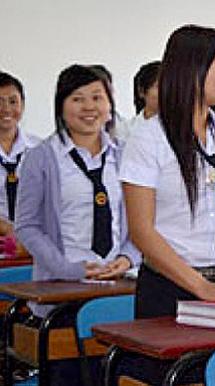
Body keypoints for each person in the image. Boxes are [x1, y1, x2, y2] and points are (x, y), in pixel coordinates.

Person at [120, 25, 215, 320]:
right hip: (170, 287)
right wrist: (201, 287)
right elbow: (142, 230)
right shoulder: (149, 137)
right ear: (191, 68)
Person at [15, 65, 140, 318]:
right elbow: (27, 226)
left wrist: (127, 258)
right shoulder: (40, 158)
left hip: (121, 287)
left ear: (109, 104)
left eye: (97, 97)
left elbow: (142, 219)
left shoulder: (127, 155)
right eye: (77, 99)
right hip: (62, 290)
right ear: (61, 106)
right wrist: (68, 269)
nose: (89, 107)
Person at [0, 71, 40, 237]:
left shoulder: (40, 150)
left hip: (33, 246)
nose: (6, 109)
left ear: (22, 105)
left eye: (13, 101)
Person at [115, 60, 161, 140]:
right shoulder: (125, 131)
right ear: (141, 91)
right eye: (158, 87)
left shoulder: (182, 130)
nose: (166, 92)